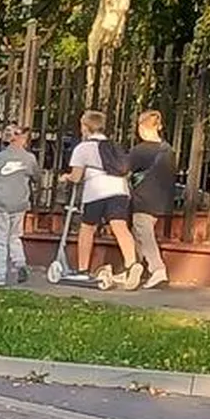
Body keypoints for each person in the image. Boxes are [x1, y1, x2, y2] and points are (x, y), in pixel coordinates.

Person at [64, 110, 141, 288]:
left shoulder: (83, 148)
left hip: (96, 191)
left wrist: (66, 177)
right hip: (120, 190)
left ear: (85, 127)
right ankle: (132, 264)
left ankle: (83, 269)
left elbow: (76, 176)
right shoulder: (113, 145)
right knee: (119, 226)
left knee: (87, 228)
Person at [0, 123, 37, 284]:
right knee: (15, 236)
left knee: (0, 239)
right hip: (20, 203)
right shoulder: (30, 158)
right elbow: (36, 178)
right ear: (22, 139)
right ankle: (20, 264)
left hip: (1, 203)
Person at [127, 109, 176, 289]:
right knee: (138, 234)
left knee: (144, 233)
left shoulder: (139, 151)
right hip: (162, 199)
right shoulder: (168, 150)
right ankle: (135, 268)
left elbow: (124, 171)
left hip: (143, 199)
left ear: (141, 127)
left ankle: (157, 270)